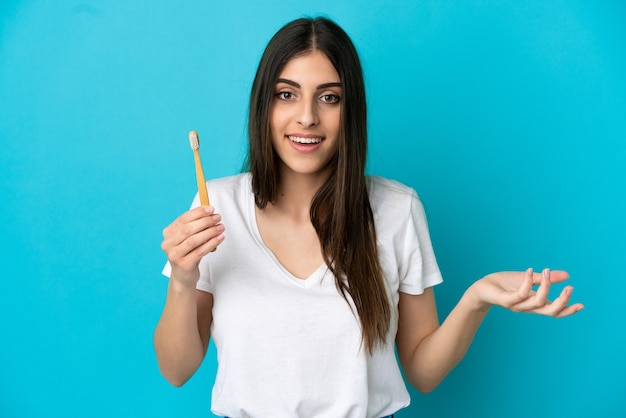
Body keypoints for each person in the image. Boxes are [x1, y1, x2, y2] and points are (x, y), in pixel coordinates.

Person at [154, 16, 584, 418]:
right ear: (263, 105)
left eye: (329, 97)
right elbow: (176, 370)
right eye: (287, 94)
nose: (307, 116)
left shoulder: (398, 209)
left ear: (351, 109)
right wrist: (181, 277)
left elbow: (423, 371)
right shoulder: (217, 207)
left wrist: (476, 298)